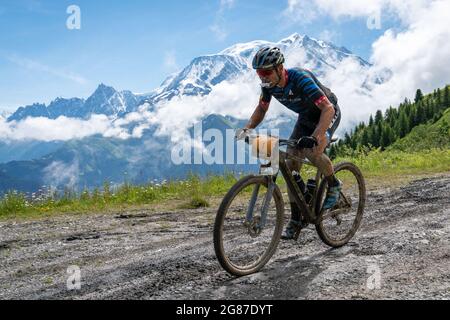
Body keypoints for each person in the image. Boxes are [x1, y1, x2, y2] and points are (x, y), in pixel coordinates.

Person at [239, 46, 342, 240]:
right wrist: (247, 129)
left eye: (266, 72)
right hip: (305, 117)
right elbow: (261, 110)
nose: (262, 77)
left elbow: (327, 108)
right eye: (259, 73)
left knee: (313, 151)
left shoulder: (300, 79)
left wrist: (317, 135)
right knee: (291, 165)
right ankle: (297, 217)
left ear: (280, 68)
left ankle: (334, 184)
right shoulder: (268, 87)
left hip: (327, 113)